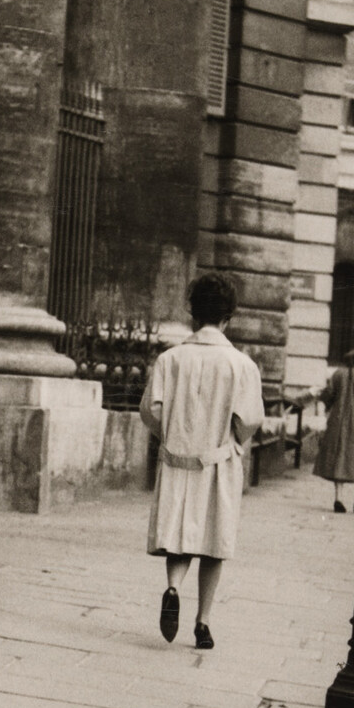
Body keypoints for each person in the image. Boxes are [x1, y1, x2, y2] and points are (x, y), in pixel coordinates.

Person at [139, 272, 264, 650]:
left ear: (193, 313)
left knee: (179, 537)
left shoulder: (170, 359)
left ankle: (173, 589)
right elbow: (248, 420)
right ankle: (203, 622)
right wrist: (234, 438)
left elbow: (150, 410)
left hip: (178, 460)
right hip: (218, 463)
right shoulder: (241, 365)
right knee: (214, 542)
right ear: (229, 316)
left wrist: (173, 436)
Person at [313, 342, 354, 512]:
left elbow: (328, 395)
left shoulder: (338, 374)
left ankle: (339, 498)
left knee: (339, 457)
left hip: (339, 421)